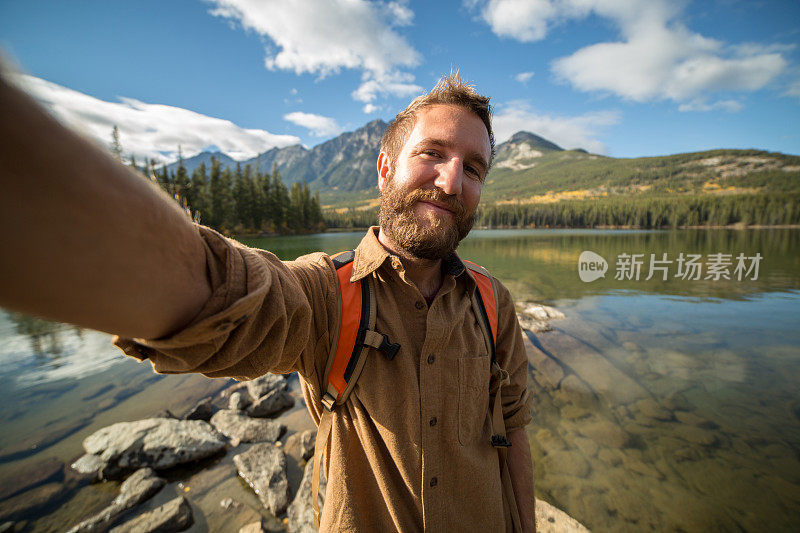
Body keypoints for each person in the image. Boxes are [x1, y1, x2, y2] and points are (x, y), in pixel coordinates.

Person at [0, 67, 535, 531]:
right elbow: (227, 298)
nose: (449, 182)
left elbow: (512, 429)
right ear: (384, 169)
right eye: (433, 153)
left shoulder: (493, 304)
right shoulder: (328, 292)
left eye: (473, 168)